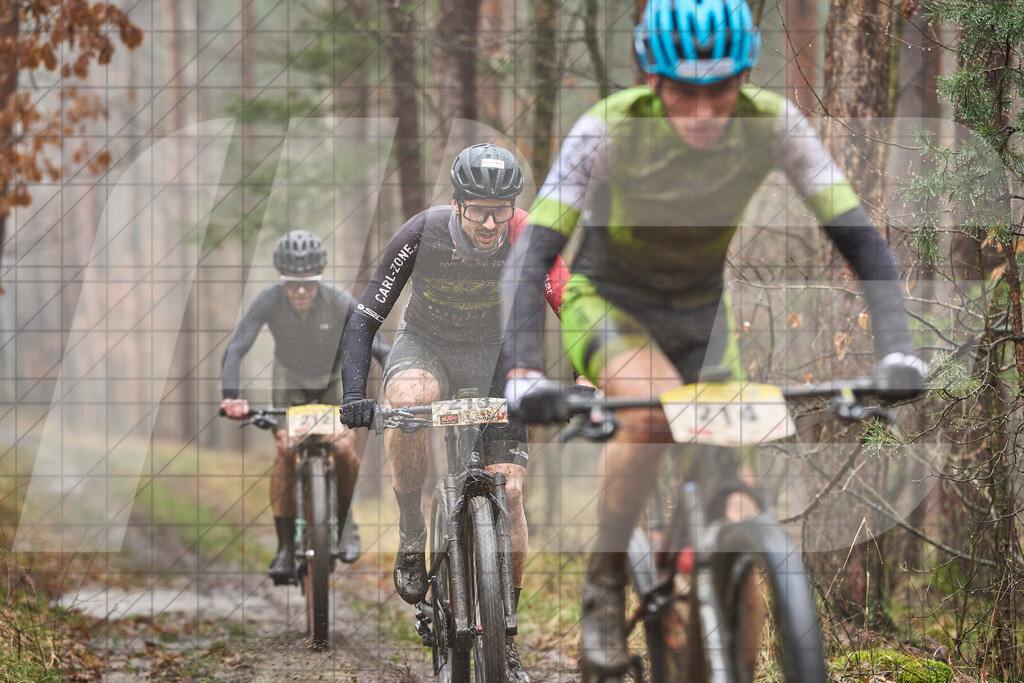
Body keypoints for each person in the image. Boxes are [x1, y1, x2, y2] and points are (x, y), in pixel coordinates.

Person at [501, 0, 927, 677]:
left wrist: (898, 348)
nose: (703, 112)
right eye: (684, 92)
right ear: (652, 78)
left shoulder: (774, 124)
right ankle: (605, 584)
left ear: (746, 76)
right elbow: (532, 258)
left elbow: (861, 241)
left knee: (736, 503)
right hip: (609, 305)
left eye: (720, 90)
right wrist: (524, 368)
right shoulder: (603, 131)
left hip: (702, 317)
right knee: (651, 412)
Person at [339, 143, 569, 683]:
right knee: (410, 402)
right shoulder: (423, 233)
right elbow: (364, 317)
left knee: (509, 490)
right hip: (427, 347)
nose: (491, 222)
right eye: (479, 210)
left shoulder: (525, 236)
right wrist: (354, 393)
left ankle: (504, 636)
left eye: (502, 209)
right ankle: (413, 529)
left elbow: (574, 305)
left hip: (497, 358)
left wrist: (587, 376)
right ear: (457, 204)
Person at [220, 230, 390, 583]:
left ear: (321, 278)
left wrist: (399, 384)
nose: (300, 291)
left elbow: (379, 346)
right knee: (286, 448)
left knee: (343, 448)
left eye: (308, 284)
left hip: (331, 380)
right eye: (292, 284)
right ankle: (284, 547)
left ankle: (344, 525)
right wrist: (231, 394)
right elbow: (237, 346)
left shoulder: (338, 300)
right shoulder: (269, 300)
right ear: (282, 279)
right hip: (290, 381)